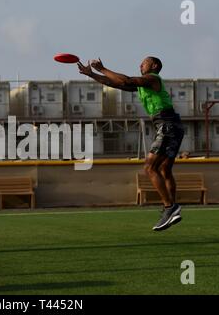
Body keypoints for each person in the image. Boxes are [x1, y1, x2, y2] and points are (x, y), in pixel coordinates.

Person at [78, 56, 184, 231]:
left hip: (167, 124)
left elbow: (125, 79)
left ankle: (170, 208)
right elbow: (117, 84)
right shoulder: (144, 84)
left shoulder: (152, 78)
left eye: (144, 62)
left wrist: (103, 68)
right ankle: (173, 208)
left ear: (154, 66)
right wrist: (92, 75)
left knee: (150, 168)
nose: (140, 65)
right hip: (172, 125)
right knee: (164, 169)